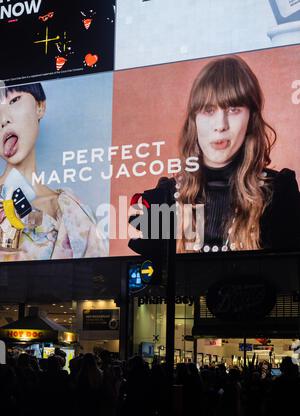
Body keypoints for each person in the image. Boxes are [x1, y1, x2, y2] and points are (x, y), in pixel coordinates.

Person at [128, 55, 300, 255]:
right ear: (194, 120)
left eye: (234, 109)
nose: (220, 125)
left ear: (251, 118)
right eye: (209, 110)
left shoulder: (278, 194)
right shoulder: (162, 200)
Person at [0, 83, 107, 261]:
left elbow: (101, 278)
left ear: (40, 106)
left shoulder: (71, 208)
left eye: (14, 100)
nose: (4, 119)